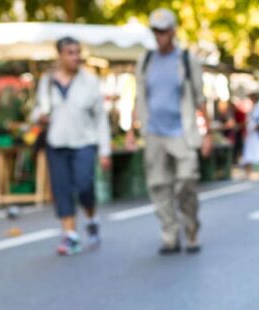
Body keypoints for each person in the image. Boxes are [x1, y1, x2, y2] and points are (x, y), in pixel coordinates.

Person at [124, 8, 212, 255]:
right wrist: (131, 130)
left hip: (182, 133)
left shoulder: (186, 60)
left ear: (173, 31)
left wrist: (207, 134)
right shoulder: (146, 60)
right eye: (155, 31)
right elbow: (139, 97)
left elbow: (199, 98)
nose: (159, 35)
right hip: (153, 133)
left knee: (187, 181)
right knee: (158, 184)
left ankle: (191, 227)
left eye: (163, 31)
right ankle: (170, 234)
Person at [30, 37, 111, 256]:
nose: (76, 57)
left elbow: (100, 118)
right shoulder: (47, 81)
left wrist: (105, 150)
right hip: (57, 142)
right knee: (62, 189)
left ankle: (92, 218)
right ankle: (70, 235)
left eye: (78, 52)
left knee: (84, 186)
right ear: (60, 56)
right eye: (70, 53)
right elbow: (37, 110)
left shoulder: (90, 81)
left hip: (84, 141)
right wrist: (40, 116)